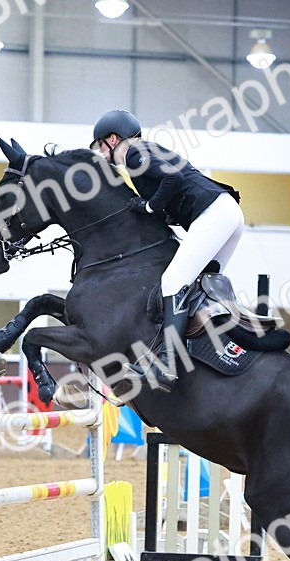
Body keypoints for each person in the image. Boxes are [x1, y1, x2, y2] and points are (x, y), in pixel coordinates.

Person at [90, 109, 244, 392]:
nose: (101, 152)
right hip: (227, 213)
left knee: (173, 282)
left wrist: (149, 206)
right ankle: (219, 347)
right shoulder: (145, 151)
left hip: (214, 214)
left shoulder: (133, 154)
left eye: (100, 145)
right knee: (200, 286)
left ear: (113, 139)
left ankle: (167, 363)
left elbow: (172, 180)